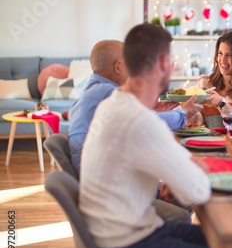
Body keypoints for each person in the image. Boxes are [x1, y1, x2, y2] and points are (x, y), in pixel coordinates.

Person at [79, 23, 232, 248]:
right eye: (171, 60)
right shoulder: (138, 119)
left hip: (115, 236)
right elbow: (197, 192)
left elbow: (169, 172)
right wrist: (187, 172)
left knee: (222, 247)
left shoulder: (117, 106)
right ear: (161, 64)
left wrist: (181, 173)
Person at [69, 39, 201, 176]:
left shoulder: (93, 89)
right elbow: (149, 124)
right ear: (119, 66)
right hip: (104, 175)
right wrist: (183, 112)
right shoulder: (109, 93)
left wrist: (150, 111)